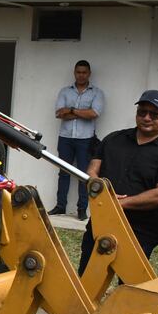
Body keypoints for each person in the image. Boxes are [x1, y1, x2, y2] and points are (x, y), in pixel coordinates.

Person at [77, 90, 158, 273]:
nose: (147, 118)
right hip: (103, 222)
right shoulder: (113, 139)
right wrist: (100, 191)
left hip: (143, 230)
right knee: (87, 276)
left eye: (154, 114)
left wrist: (118, 203)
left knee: (129, 286)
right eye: (142, 112)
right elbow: (92, 171)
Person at [49, 60, 104, 219]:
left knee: (84, 175)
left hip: (85, 140)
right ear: (75, 73)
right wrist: (82, 113)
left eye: (84, 72)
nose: (81, 75)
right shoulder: (65, 91)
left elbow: (94, 113)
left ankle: (82, 209)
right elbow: (59, 114)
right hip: (65, 138)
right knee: (63, 173)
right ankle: (60, 206)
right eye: (78, 72)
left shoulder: (97, 93)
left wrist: (71, 110)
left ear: (89, 74)